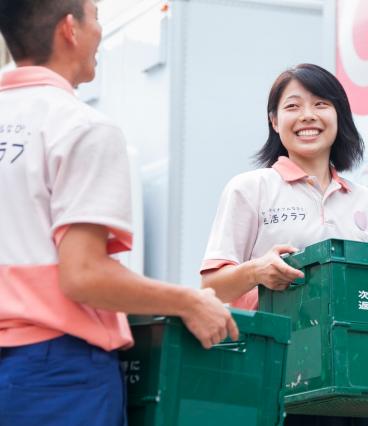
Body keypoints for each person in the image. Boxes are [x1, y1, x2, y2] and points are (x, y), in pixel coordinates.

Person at [0, 2, 238, 425]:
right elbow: (84, 275)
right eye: (95, 17)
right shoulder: (79, 126)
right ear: (69, 29)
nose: (99, 33)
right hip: (56, 372)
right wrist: (189, 301)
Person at [201, 63, 368, 425]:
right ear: (274, 121)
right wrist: (258, 271)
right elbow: (211, 287)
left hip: (351, 382)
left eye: (320, 104)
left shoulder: (364, 201)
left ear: (339, 115)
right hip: (273, 375)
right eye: (293, 106)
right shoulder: (251, 188)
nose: (307, 116)